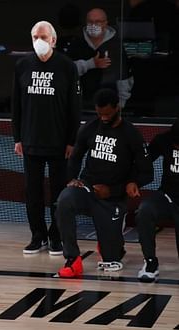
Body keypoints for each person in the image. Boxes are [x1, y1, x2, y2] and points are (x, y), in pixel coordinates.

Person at [56, 88, 153, 278]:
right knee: (64, 200)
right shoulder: (90, 127)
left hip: (113, 197)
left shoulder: (131, 133)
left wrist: (124, 186)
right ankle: (73, 260)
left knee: (112, 260)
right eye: (99, 114)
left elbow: (147, 172)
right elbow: (75, 157)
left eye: (107, 114)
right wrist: (72, 179)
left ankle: (111, 244)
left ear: (118, 108)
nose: (103, 118)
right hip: (88, 188)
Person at [12, 21, 81, 256]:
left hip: (59, 143)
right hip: (30, 141)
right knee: (32, 193)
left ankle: (56, 236)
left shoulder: (66, 66)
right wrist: (17, 137)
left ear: (53, 40)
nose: (38, 41)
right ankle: (37, 235)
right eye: (34, 37)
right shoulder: (22, 65)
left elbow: (75, 107)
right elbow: (16, 106)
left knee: (58, 193)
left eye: (43, 36)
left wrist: (72, 140)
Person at [135, 118, 179, 282]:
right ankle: (150, 263)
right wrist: (132, 181)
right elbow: (143, 163)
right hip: (167, 197)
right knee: (145, 210)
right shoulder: (163, 140)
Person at [62, 8, 133, 110]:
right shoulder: (76, 42)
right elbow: (65, 71)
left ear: (106, 23)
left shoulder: (116, 45)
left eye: (98, 22)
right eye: (90, 21)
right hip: (80, 103)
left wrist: (121, 104)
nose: (93, 25)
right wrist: (91, 64)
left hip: (108, 105)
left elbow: (124, 78)